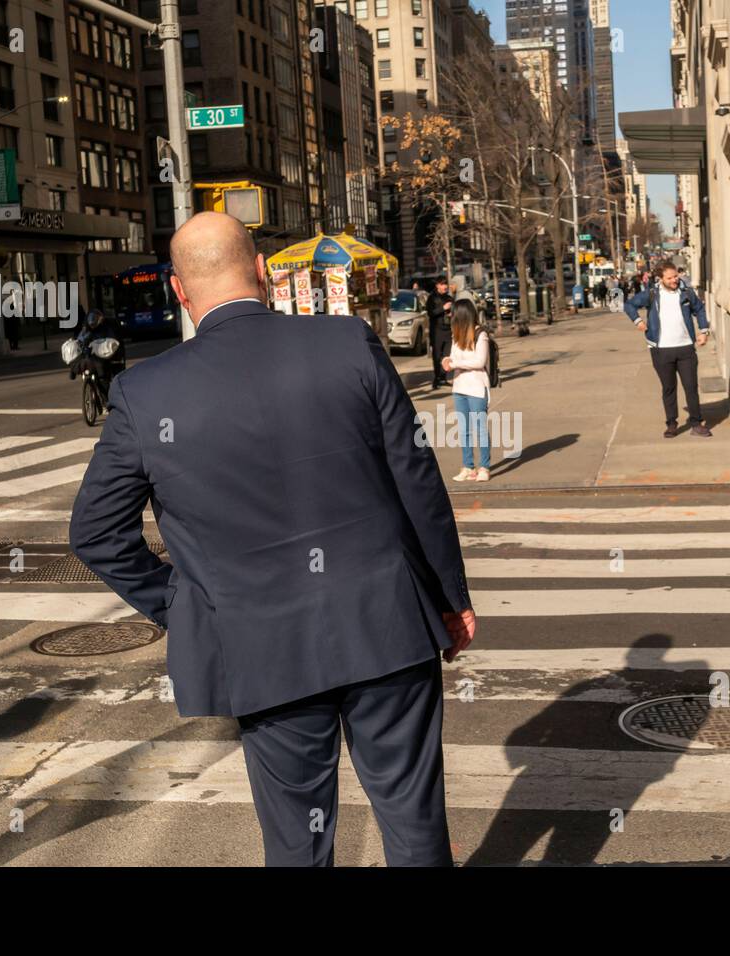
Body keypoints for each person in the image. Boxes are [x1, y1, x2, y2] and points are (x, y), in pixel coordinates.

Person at [70, 212, 476, 867]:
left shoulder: (144, 392)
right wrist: (450, 597)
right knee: (415, 823)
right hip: (386, 624)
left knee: (298, 844)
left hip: (261, 647)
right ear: (261, 271)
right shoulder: (348, 342)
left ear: (179, 291)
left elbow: (95, 533)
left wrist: (186, 604)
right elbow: (417, 481)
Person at [624, 262, 712, 438]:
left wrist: (703, 331)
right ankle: (671, 424)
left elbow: (699, 309)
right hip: (661, 350)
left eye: (676, 276)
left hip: (686, 347)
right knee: (669, 388)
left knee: (691, 387)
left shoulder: (686, 292)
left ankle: (696, 423)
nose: (674, 280)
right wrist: (638, 321)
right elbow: (629, 305)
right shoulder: (652, 294)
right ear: (661, 278)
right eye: (670, 278)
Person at [441, 299, 492, 483]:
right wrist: (447, 360)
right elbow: (454, 357)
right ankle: (468, 466)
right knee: (464, 430)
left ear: (462, 315)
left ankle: (484, 467)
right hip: (459, 386)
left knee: (480, 428)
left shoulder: (481, 334)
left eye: (453, 314)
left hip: (477, 387)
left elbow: (479, 362)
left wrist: (455, 363)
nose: (450, 317)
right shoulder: (456, 335)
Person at [70, 307, 126, 392]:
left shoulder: (107, 327)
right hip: (91, 356)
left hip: (107, 355)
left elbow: (113, 342)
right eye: (91, 324)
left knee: (107, 375)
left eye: (94, 323)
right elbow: (80, 338)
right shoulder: (86, 329)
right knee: (77, 360)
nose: (93, 325)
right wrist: (77, 343)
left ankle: (107, 396)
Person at [425, 276, 455, 389]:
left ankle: (443, 377)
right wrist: (443, 308)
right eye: (442, 284)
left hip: (448, 330)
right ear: (437, 285)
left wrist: (452, 313)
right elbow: (430, 313)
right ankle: (437, 378)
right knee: (437, 356)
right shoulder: (432, 298)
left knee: (447, 355)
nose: (445, 286)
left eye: (446, 284)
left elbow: (455, 311)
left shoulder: (449, 298)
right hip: (437, 331)